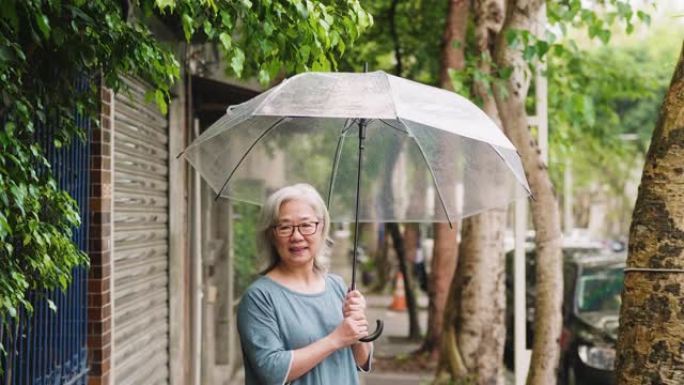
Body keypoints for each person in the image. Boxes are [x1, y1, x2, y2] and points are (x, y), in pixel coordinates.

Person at [237, 183, 373, 385]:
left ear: (321, 228)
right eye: (285, 227)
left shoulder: (337, 286)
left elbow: (362, 361)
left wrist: (357, 322)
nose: (297, 236)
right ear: (271, 235)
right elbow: (272, 371)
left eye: (306, 225)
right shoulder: (259, 297)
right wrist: (335, 339)